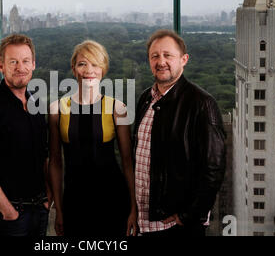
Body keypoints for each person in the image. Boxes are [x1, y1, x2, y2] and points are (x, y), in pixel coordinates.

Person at [133, 29, 226, 236]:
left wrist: (188, 215)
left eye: (168, 55)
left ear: (184, 59)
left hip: (177, 226)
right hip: (144, 222)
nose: (161, 61)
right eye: (154, 56)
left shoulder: (202, 104)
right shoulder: (145, 99)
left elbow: (213, 169)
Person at [49, 40, 138, 237]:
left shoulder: (117, 108)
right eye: (82, 64)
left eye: (95, 64)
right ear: (74, 69)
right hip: (74, 202)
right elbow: (55, 163)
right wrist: (59, 210)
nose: (89, 70)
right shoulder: (57, 109)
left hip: (113, 200)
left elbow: (127, 162)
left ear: (103, 69)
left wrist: (133, 208)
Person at [0, 34, 51, 236]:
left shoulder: (36, 105)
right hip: (10, 217)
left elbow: (44, 155)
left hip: (40, 210)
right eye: (13, 61)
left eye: (25, 61)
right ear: (1, 66)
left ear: (33, 64)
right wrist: (8, 212)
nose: (19, 67)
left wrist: (49, 199)